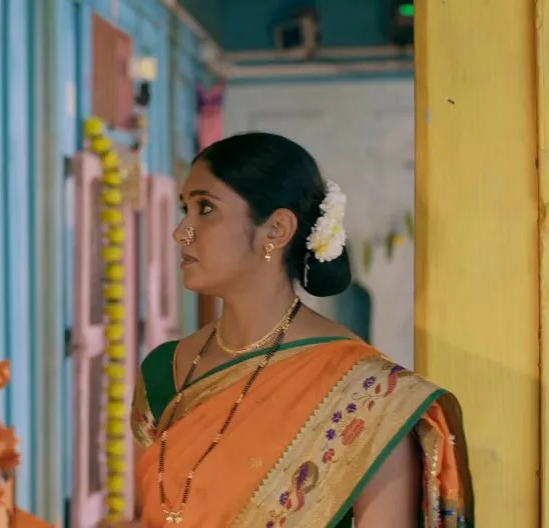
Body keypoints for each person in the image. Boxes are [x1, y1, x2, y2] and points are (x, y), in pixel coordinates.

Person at [124, 132, 473, 527]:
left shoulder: (367, 397)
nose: (180, 231)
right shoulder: (163, 372)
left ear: (276, 229)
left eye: (205, 208)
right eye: (184, 209)